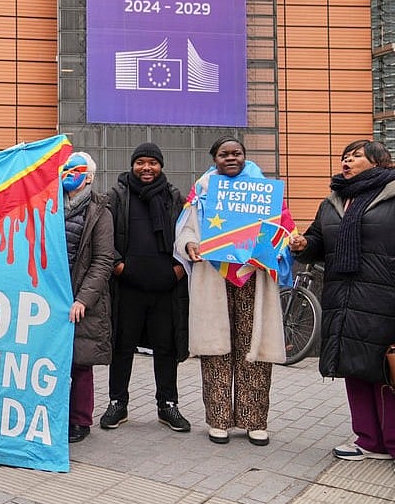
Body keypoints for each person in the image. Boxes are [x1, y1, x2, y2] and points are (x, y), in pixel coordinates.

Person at [176, 136, 292, 446]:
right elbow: (186, 227)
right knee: (217, 349)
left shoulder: (264, 191)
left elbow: (283, 229)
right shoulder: (202, 190)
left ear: (245, 156)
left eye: (237, 153)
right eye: (224, 154)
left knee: (253, 350)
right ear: (214, 158)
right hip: (214, 275)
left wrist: (287, 243)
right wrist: (190, 244)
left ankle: (255, 421)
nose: (231, 158)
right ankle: (218, 420)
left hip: (253, 277)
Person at [290, 139, 395, 461]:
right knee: (354, 367)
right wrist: (301, 245)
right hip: (343, 295)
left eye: (356, 156)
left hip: (384, 296)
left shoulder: (391, 195)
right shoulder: (334, 201)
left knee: (387, 370)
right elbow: (318, 242)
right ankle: (368, 441)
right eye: (344, 157)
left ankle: (392, 444)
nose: (347, 162)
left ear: (378, 161)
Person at [101, 142, 191, 433]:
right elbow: (105, 238)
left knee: (166, 348)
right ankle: (118, 403)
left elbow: (189, 233)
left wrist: (178, 271)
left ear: (161, 166)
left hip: (166, 288)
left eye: (153, 162)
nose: (146, 168)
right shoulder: (117, 195)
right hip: (127, 288)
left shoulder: (173, 198)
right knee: (122, 347)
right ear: (132, 165)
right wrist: (119, 267)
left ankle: (168, 405)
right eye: (141, 162)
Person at [61, 153, 114, 443]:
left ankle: (80, 420)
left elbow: (103, 261)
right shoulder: (50, 206)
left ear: (89, 177)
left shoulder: (100, 212)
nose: (69, 174)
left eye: (76, 169)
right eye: (65, 169)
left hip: (82, 301)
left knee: (80, 362)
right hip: (52, 298)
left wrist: (83, 299)